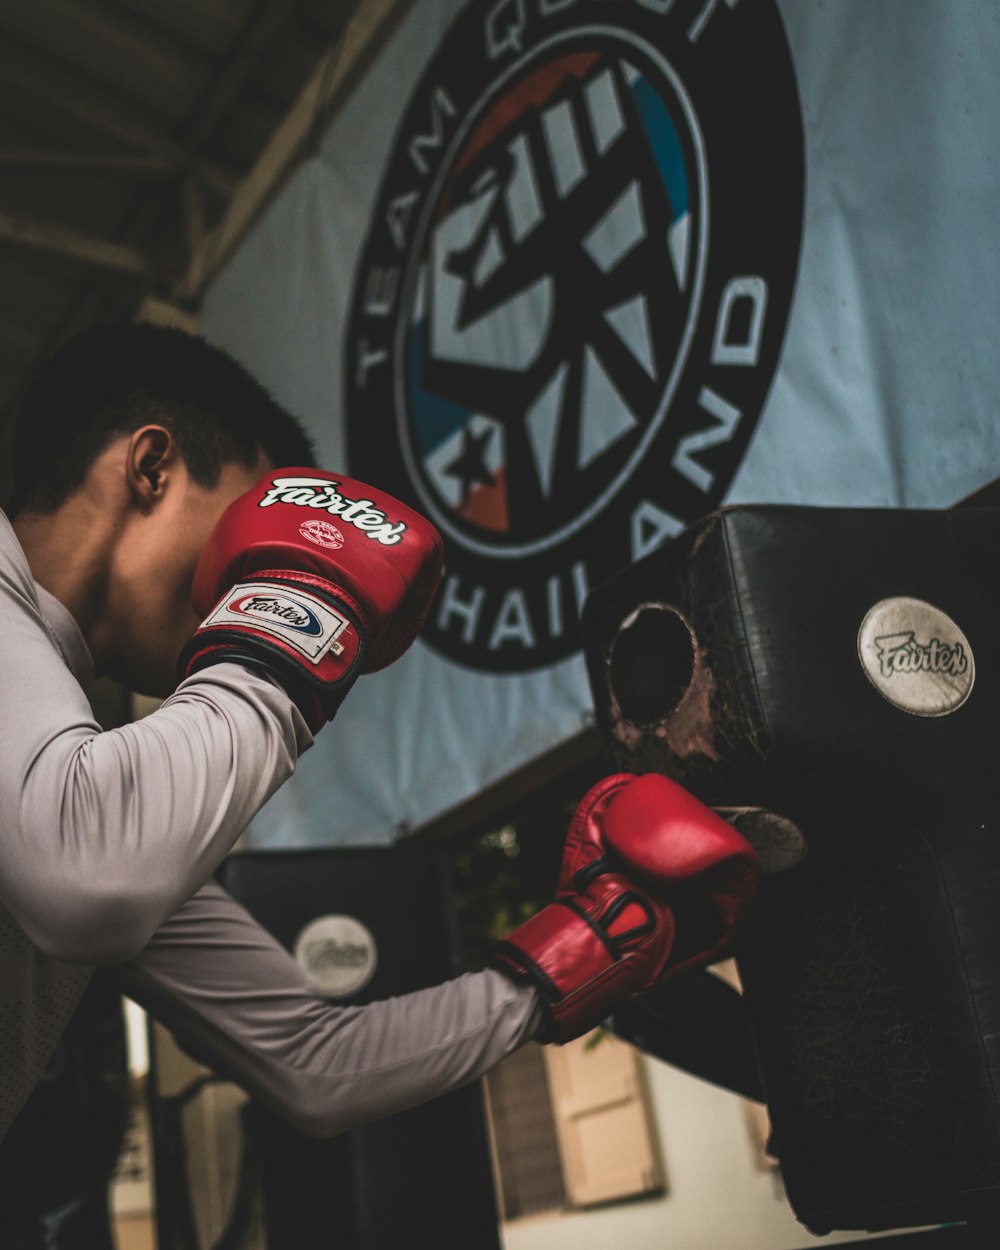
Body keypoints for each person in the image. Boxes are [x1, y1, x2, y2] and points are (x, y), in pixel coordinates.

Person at [0, 323, 759, 1219]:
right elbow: (88, 871)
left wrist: (583, 947)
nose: (237, 579)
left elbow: (316, 1065)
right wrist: (297, 609)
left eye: (271, 546)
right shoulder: (85, 825)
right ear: (151, 467)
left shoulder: (81, 790)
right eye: (250, 525)